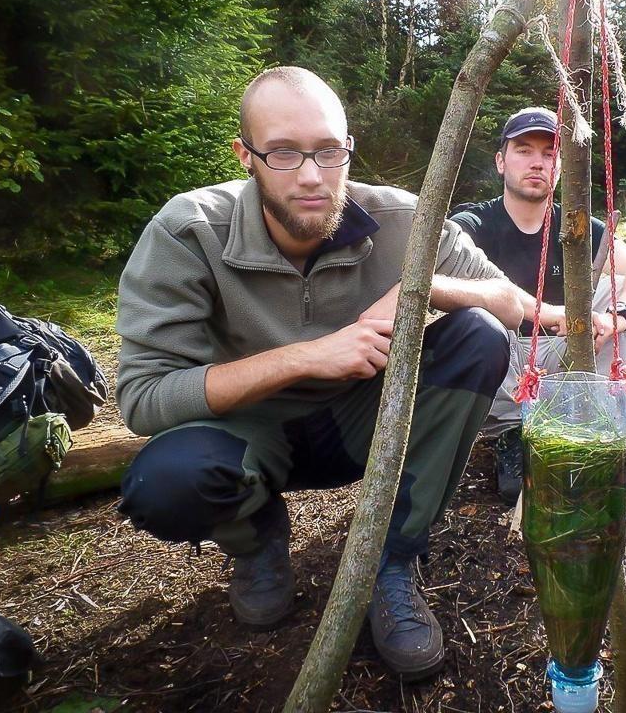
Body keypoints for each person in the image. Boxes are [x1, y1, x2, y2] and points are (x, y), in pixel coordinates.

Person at [115, 66, 523, 681]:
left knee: (478, 334)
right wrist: (308, 355)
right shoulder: (189, 231)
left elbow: (508, 299)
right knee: (166, 483)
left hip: (365, 421)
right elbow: (143, 398)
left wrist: (429, 285)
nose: (311, 175)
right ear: (246, 155)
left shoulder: (403, 219)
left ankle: (392, 559)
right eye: (283, 152)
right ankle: (257, 540)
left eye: (329, 151)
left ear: (348, 149)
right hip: (249, 433)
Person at [450, 107, 626, 505]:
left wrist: (617, 318)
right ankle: (511, 433)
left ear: (561, 167)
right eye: (524, 150)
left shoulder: (578, 227)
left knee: (619, 289)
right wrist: (550, 313)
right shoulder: (473, 223)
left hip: (566, 355)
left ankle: (591, 425)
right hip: (503, 361)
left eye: (549, 154)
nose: (537, 162)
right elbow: (447, 273)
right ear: (501, 161)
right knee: (475, 308)